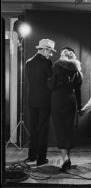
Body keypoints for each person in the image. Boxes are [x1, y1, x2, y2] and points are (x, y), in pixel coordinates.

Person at [47, 47, 82, 172]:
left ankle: (65, 159)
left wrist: (48, 81)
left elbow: (51, 85)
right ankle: (68, 158)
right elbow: (78, 90)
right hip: (71, 101)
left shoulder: (57, 66)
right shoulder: (77, 69)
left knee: (60, 129)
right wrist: (80, 106)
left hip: (58, 101)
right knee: (68, 129)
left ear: (63, 55)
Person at [24, 39, 56, 167]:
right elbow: (51, 80)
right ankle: (41, 159)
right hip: (44, 100)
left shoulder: (28, 62)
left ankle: (31, 156)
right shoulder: (47, 62)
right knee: (43, 129)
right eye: (50, 51)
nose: (50, 54)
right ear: (45, 50)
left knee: (34, 129)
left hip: (32, 100)